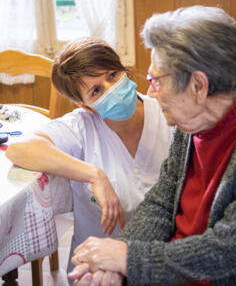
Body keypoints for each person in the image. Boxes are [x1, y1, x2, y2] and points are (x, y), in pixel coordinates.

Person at [68, 5, 236, 286]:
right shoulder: (190, 121)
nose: (150, 90)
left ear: (198, 86)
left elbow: (231, 248)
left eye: (156, 80)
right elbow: (163, 200)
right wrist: (115, 263)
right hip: (173, 268)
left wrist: (127, 258)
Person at [5, 37, 172, 281]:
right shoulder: (81, 127)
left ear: (123, 70)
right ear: (85, 105)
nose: (110, 88)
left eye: (113, 75)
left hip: (157, 260)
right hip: (96, 268)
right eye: (96, 90)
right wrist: (94, 175)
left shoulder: (165, 113)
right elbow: (19, 149)